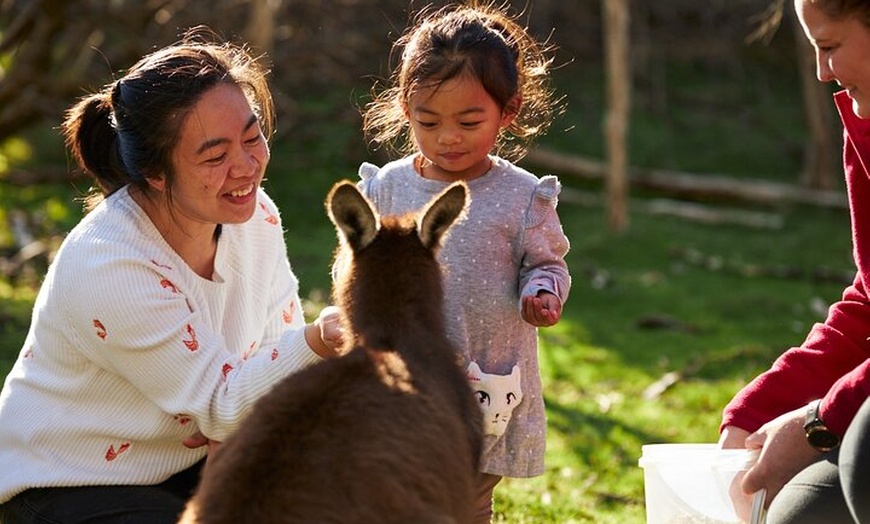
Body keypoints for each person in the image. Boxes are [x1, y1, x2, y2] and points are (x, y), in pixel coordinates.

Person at [0, 30, 343, 524]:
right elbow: (232, 396)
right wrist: (318, 343)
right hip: (71, 481)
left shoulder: (256, 218)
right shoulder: (111, 265)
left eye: (252, 137)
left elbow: (271, 351)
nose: (246, 166)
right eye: (215, 155)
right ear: (156, 174)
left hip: (189, 461)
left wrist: (234, 417)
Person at [357, 3, 571, 522]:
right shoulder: (387, 187)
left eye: (469, 121)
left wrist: (540, 292)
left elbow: (548, 264)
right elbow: (358, 268)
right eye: (428, 121)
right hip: (404, 372)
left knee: (467, 496)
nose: (448, 136)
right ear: (405, 109)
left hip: (484, 377)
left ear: (509, 111)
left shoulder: (522, 196)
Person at [719, 1, 870, 523]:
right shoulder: (865, 124)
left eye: (829, 47)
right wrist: (761, 407)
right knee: (798, 514)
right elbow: (869, 299)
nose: (821, 72)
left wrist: (818, 424)